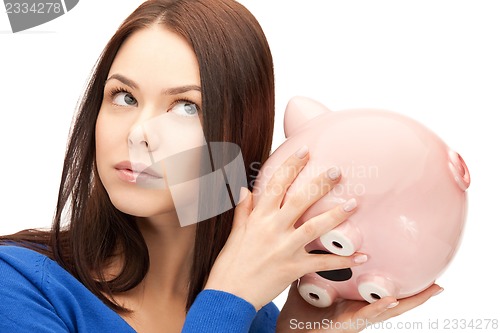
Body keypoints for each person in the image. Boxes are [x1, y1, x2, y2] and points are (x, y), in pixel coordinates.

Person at [0, 0, 442, 332]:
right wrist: (228, 300)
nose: (139, 132)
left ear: (241, 134)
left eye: (186, 107)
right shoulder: (20, 285)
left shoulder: (256, 313)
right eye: (125, 97)